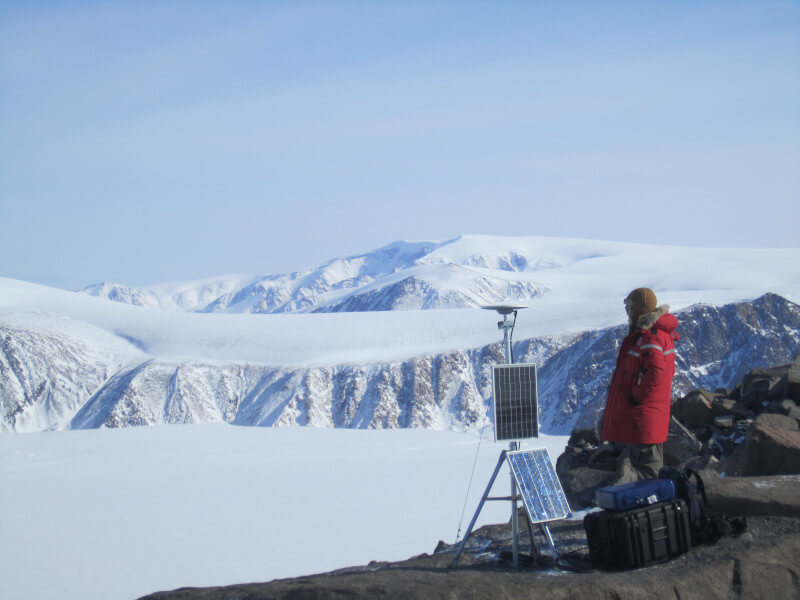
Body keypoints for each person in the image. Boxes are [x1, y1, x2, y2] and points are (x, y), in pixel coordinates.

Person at [601, 288, 680, 484]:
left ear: (638, 310)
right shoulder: (653, 334)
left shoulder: (651, 337)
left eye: (629, 308)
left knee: (647, 476)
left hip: (644, 420)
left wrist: (635, 396)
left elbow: (657, 373)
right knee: (645, 472)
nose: (627, 313)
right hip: (646, 419)